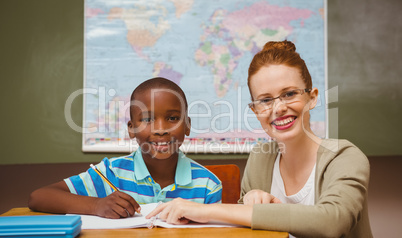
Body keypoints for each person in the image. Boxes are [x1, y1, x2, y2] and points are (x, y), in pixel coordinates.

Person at [146, 41, 373, 238]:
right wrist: (249, 200)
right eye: (265, 100)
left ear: (312, 98)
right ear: (255, 111)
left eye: (290, 93)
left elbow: (332, 222)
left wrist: (203, 210)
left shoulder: (344, 157)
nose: (279, 108)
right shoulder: (261, 159)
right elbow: (244, 225)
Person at [28, 77, 222, 219]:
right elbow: (39, 197)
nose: (161, 130)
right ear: (131, 128)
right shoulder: (111, 173)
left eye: (172, 118)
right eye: (147, 119)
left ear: (187, 125)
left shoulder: (207, 185)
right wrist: (97, 205)